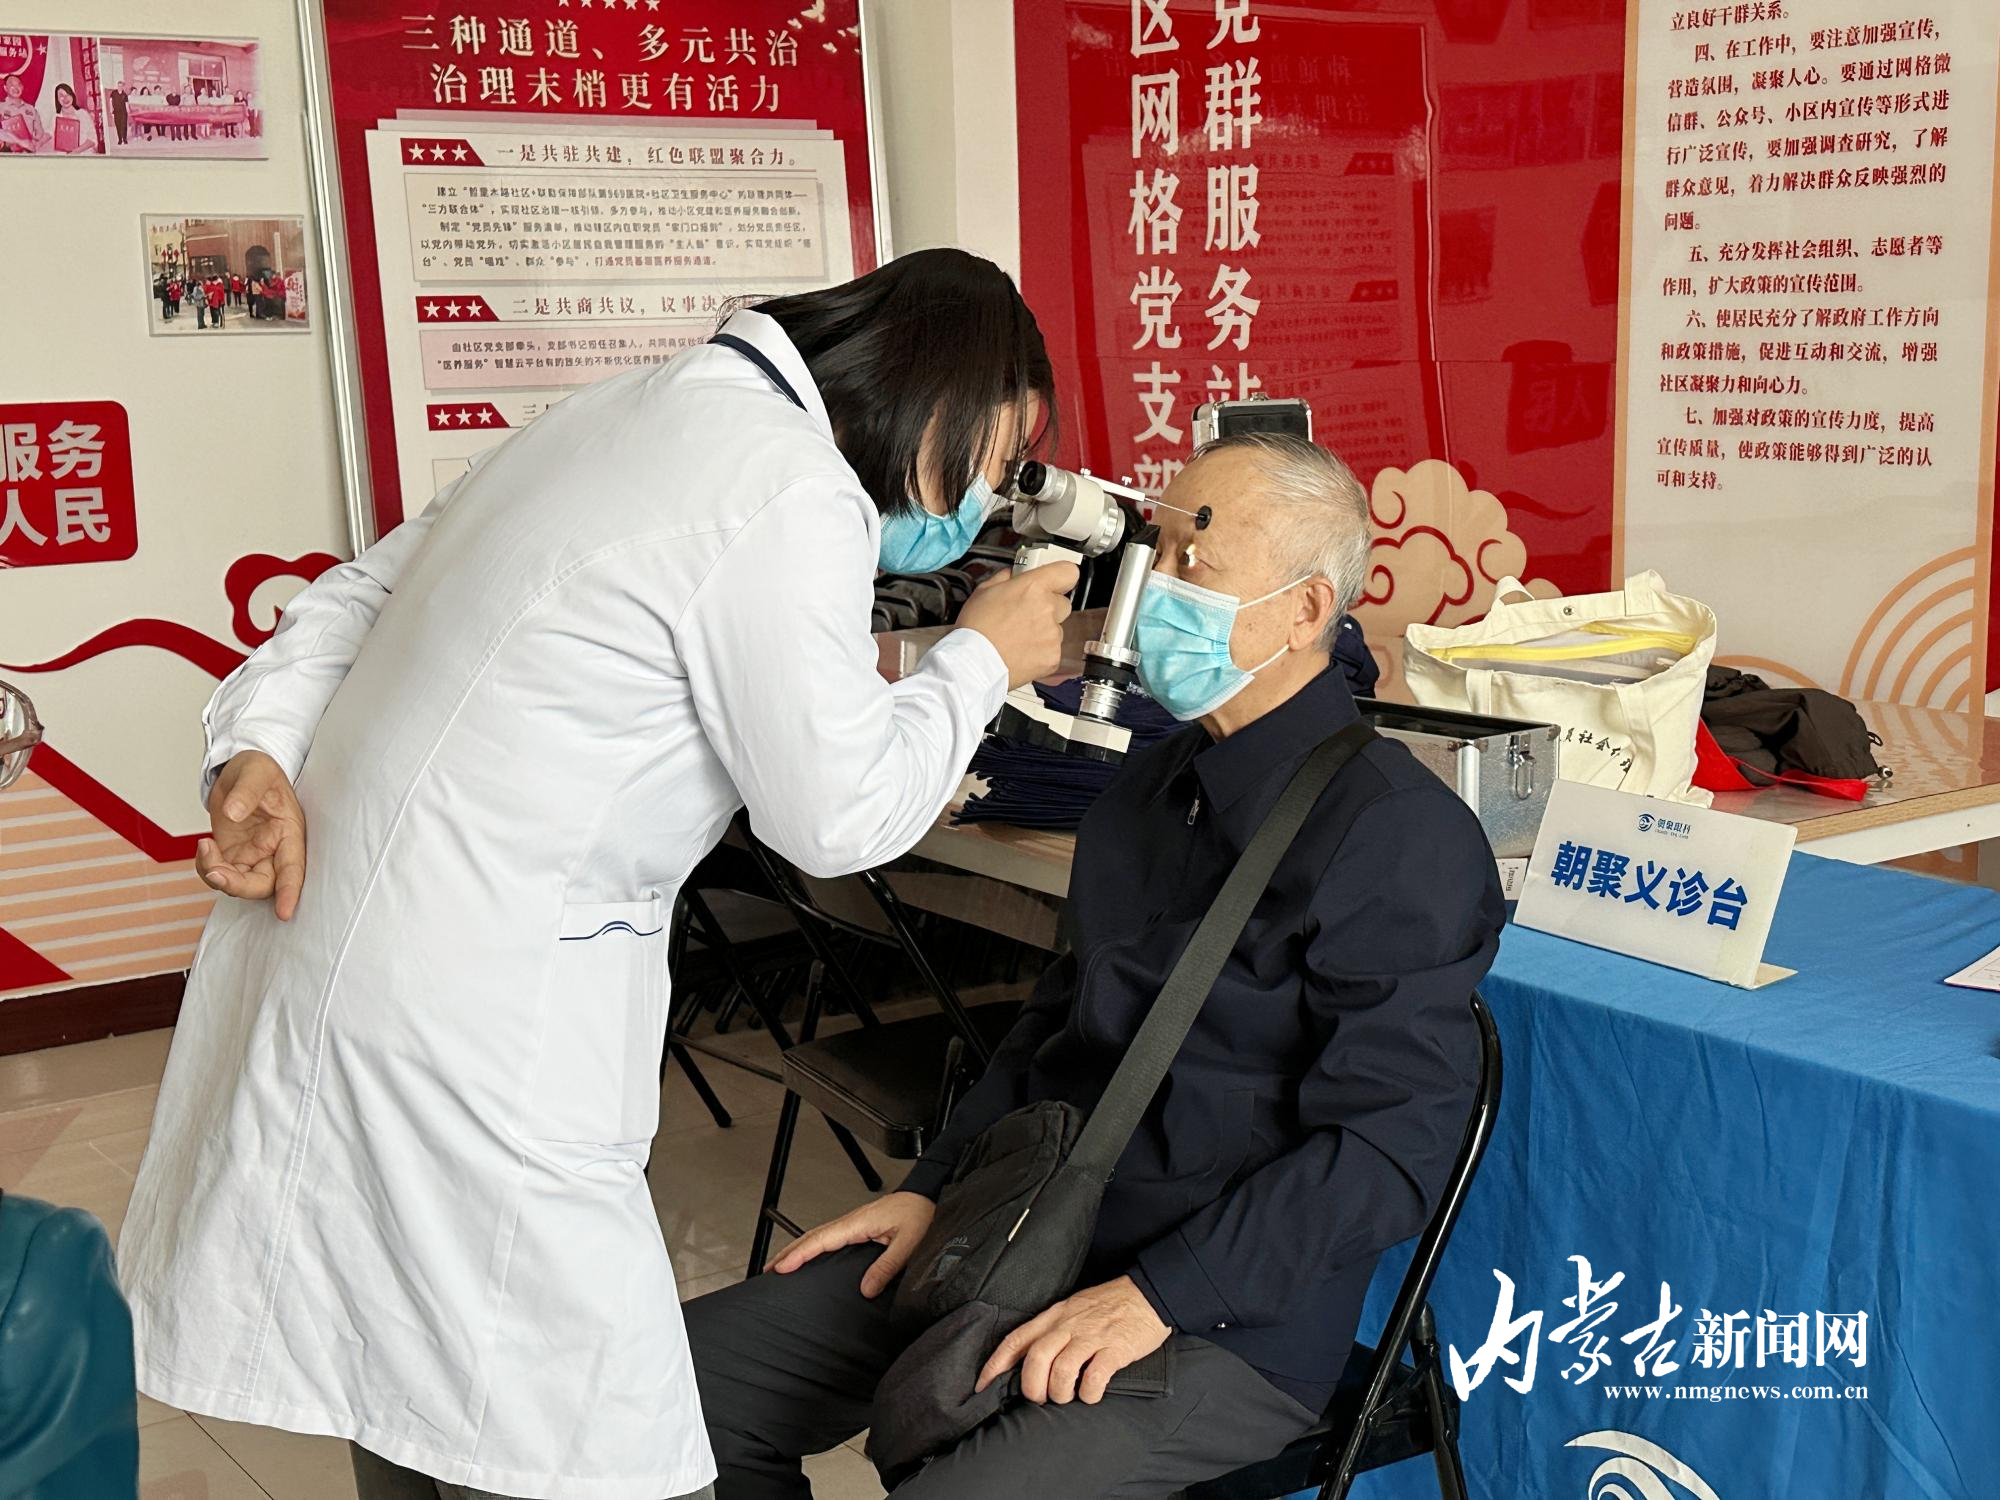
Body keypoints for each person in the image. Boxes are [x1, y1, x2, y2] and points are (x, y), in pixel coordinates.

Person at [117, 249, 1080, 1500]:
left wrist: (258, 747)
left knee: (402, 1374)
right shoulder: (787, 488)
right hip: (480, 1013)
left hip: (365, 959)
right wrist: (979, 661)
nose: (983, 499)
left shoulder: (620, 410)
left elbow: (356, 593)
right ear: (939, 397)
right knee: (588, 1435)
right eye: (995, 459)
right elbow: (838, 817)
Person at [684, 433, 1506, 1499]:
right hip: (1025, 1227)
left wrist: (1160, 1294)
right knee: (673, 1395)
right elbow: (1051, 1027)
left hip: (1220, 1315)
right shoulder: (1149, 789)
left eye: (1194, 562)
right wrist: (934, 1188)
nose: (1152, 588)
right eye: (1154, 552)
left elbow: (1388, 1149)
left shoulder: (1396, 835)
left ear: (1306, 611)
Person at [0, 74, 49, 154]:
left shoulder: (31, 109)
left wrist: (35, 142)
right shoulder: (1, 107)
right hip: (7, 152)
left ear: (22, 87)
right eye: (12, 85)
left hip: (27, 152)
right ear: (5, 88)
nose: (16, 88)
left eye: (18, 84)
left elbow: (39, 132)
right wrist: (20, 142)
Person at [51, 83, 97, 155]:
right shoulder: (55, 118)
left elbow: (93, 139)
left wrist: (75, 152)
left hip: (85, 155)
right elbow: (51, 138)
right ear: (57, 100)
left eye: (68, 94)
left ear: (72, 95)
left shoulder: (83, 114)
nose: (65, 98)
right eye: (61, 96)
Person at [107, 78, 129, 145]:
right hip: (116, 112)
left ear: (123, 86)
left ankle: (124, 139)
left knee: (124, 125)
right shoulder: (113, 93)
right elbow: (110, 102)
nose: (120, 87)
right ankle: (120, 139)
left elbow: (126, 104)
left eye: (121, 86)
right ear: (117, 86)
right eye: (119, 86)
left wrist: (128, 111)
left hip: (124, 112)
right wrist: (111, 110)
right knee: (118, 125)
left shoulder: (125, 95)